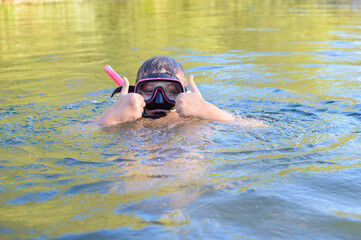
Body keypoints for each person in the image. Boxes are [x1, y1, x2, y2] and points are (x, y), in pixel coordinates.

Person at [96, 55, 264, 126]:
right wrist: (113, 116)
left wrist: (206, 110)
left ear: (185, 94)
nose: (159, 99)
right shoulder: (127, 121)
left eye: (171, 91)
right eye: (148, 90)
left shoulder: (195, 119)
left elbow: (259, 127)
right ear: (134, 94)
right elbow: (73, 134)